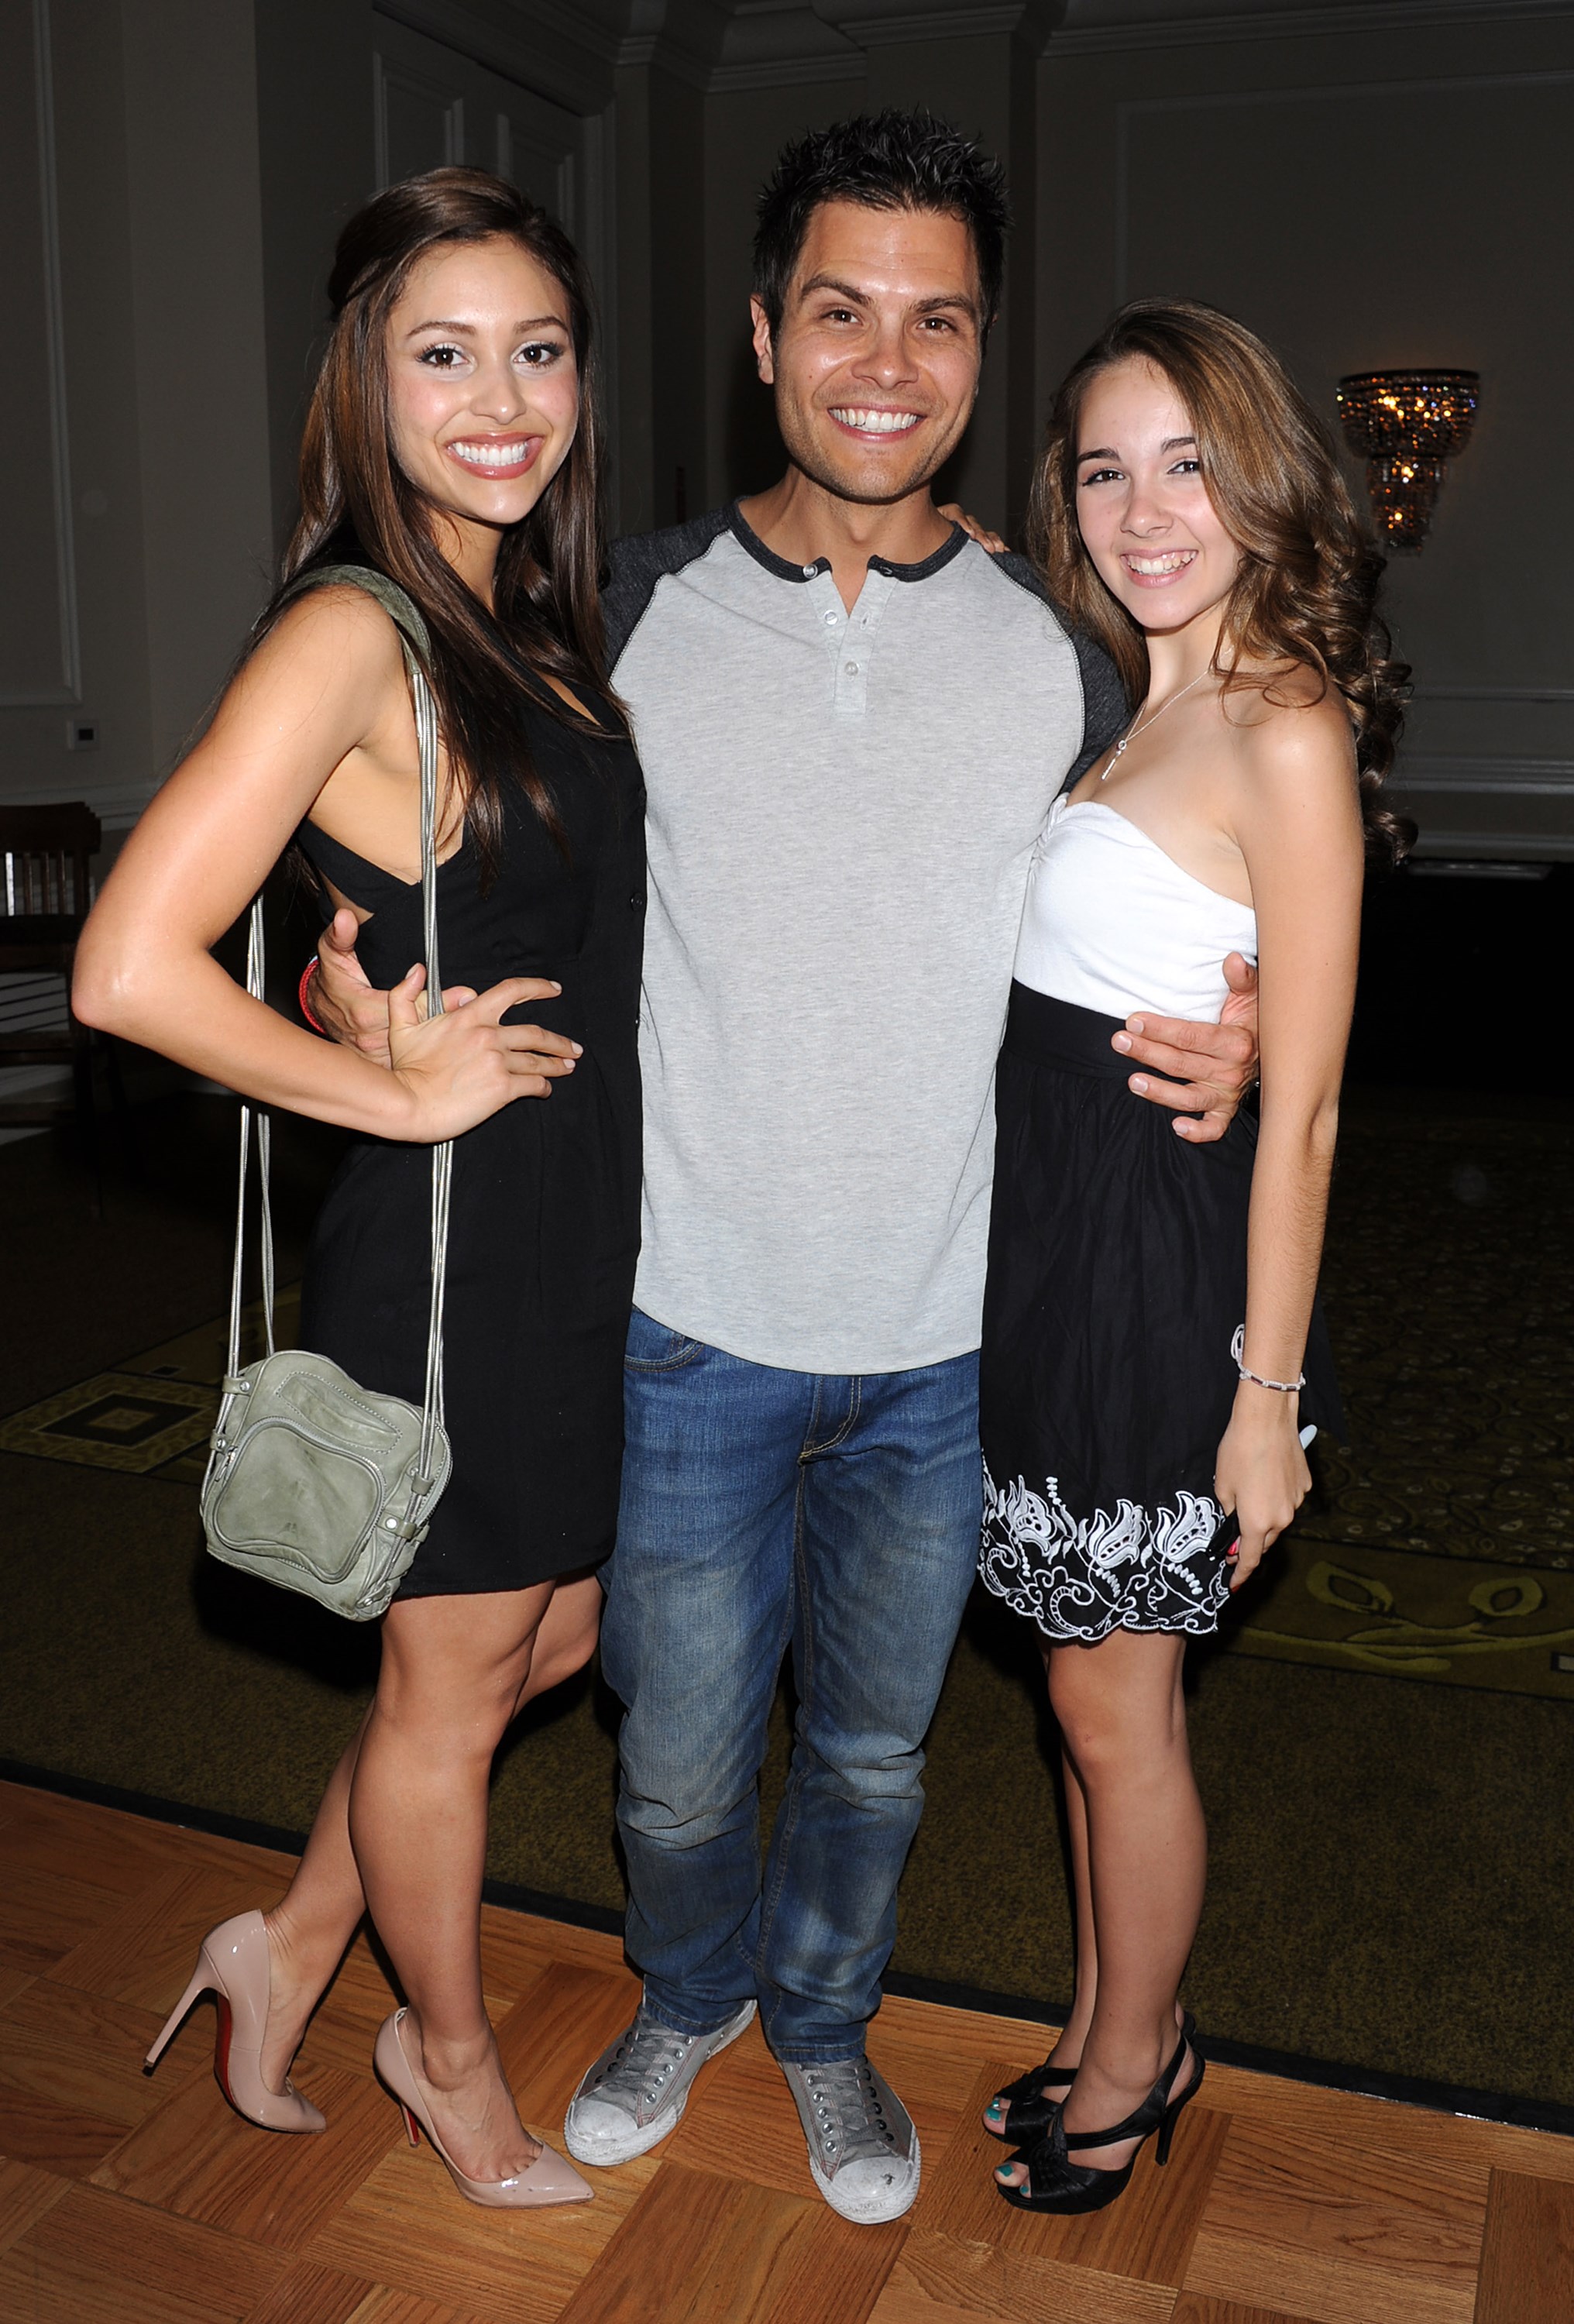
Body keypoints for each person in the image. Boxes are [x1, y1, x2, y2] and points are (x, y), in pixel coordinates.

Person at [312, 113, 1260, 2226]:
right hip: (679, 1321)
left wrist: (1256, 1005)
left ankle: (825, 2028)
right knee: (669, 1754)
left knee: (872, 1755)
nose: (887, 363)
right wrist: (343, 981)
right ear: (761, 336)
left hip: (951, 1340)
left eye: (940, 321)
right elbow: (433, 840)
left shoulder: (1066, 644)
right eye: (841, 310)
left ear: (983, 351)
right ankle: (688, 1996)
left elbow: (1195, 863)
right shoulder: (612, 612)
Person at [73, 169, 644, 2209]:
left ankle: (292, 1940)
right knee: (455, 1687)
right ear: (365, 383)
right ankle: (449, 2061)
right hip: (459, 1248)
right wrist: (381, 1098)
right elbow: (124, 968)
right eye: (443, 355)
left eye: (537, 350)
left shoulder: (523, 620)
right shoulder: (351, 628)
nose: (500, 400)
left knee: (544, 1641)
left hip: (573, 1223)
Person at [978, 299, 1411, 2213]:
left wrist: (1262, 1403)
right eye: (1104, 470)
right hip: (1051, 1254)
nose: (1143, 510)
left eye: (1185, 466)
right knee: (1079, 1698)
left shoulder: (1278, 724)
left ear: (1255, 486)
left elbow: (1301, 1110)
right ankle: (1100, 2017)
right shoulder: (1119, 702)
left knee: (1114, 1707)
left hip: (1155, 1281)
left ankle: (1134, 2066)